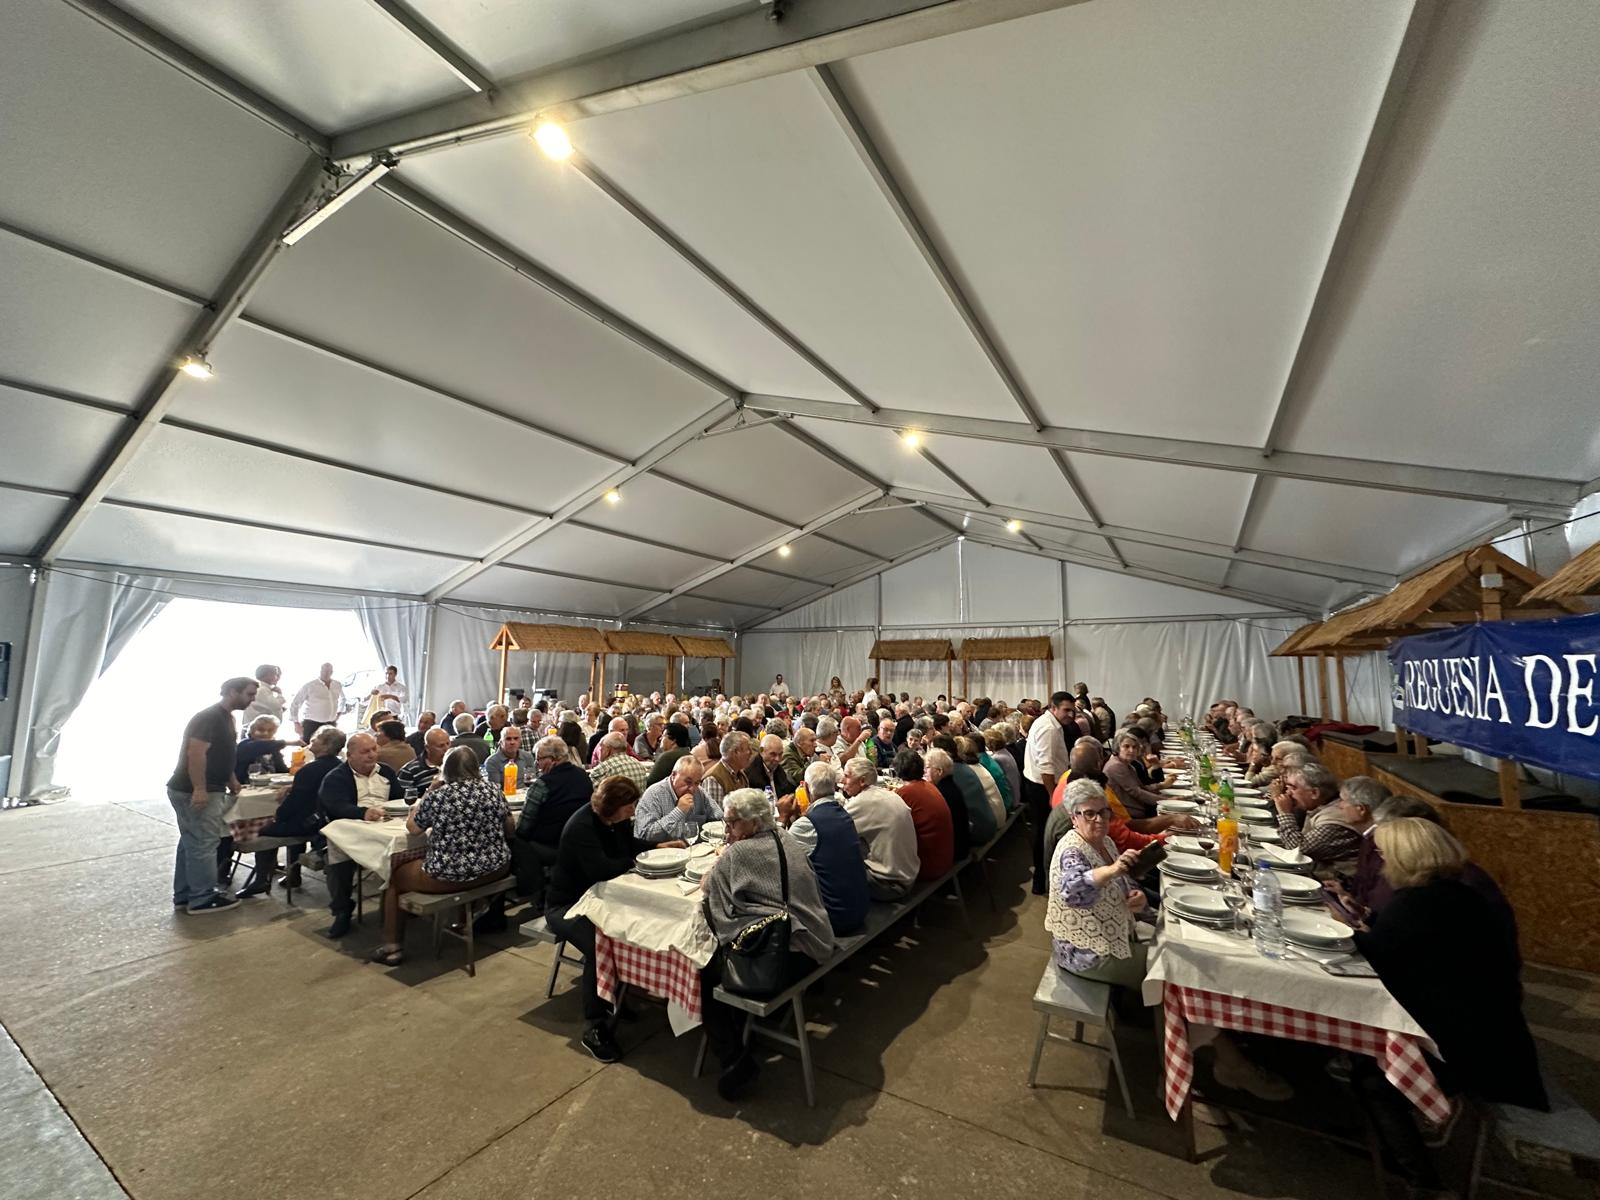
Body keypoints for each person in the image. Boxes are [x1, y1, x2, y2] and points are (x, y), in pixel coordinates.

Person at [1352, 818, 1547, 1192]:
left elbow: (1380, 959)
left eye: (1384, 852)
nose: (1380, 859)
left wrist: (1355, 933)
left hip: (1472, 1046)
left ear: (1404, 857)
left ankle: (1419, 1180)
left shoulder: (1415, 905)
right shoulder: (1458, 896)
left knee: (1373, 1076)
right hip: (1494, 1031)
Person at [699, 788, 836, 1099]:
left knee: (704, 973)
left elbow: (709, 887)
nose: (728, 828)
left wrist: (723, 860)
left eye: (731, 822)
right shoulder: (786, 837)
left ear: (751, 823)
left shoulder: (739, 853)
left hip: (783, 957)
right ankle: (749, 1029)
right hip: (814, 938)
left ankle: (735, 1060)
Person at [546, 778, 658, 1063]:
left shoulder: (614, 820)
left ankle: (613, 998)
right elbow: (601, 869)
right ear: (614, 807)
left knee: (632, 928)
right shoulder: (582, 827)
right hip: (568, 905)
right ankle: (594, 1027)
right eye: (630, 805)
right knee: (601, 945)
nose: (633, 811)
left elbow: (628, 844)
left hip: (601, 898)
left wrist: (658, 847)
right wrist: (637, 862)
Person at [369, 747, 512, 967]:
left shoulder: (439, 796)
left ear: (447, 769)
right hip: (496, 866)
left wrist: (427, 793)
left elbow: (413, 829)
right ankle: (463, 921)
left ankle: (392, 946)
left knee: (394, 876)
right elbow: (509, 828)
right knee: (450, 860)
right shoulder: (493, 789)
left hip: (451, 875)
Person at [166, 677, 257, 914]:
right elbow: (196, 753)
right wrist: (199, 788)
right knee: (204, 843)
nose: (252, 699)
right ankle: (202, 897)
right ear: (231, 692)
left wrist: (233, 781)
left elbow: (223, 755)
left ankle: (185, 894)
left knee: (191, 842)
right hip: (194, 789)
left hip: (209, 786)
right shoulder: (209, 717)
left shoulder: (226, 718)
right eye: (248, 694)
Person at [1046, 783, 1148, 987]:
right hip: (1086, 954)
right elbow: (1074, 891)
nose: (1100, 820)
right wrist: (1112, 870)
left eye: (1103, 812)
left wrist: (1136, 895)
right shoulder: (1071, 851)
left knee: (1172, 950)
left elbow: (1122, 882)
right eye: (1089, 814)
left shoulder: (1105, 841)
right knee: (1166, 971)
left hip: (1112, 934)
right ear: (1074, 818)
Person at [317, 732, 404, 939]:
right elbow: (335, 806)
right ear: (350, 755)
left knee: (407, 846)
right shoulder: (336, 777)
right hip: (351, 830)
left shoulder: (387, 773)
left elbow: (399, 798)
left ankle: (399, 905)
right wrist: (362, 812)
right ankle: (342, 909)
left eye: (374, 749)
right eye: (365, 751)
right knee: (337, 856)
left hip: (384, 827)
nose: (371, 755)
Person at [513, 735, 595, 905]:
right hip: (579, 841)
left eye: (540, 759)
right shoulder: (583, 776)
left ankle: (529, 888)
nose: (537, 764)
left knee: (515, 840)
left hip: (550, 846)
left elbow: (524, 826)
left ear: (554, 759)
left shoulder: (542, 784)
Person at [839, 757, 919, 900]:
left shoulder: (862, 802)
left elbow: (834, 830)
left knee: (831, 861)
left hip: (890, 884)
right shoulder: (888, 794)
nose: (842, 781)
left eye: (846, 776)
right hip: (909, 875)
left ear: (862, 781)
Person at [1022, 691, 1074, 894]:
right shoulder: (1049, 728)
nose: (1070, 714)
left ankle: (1044, 878)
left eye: (1072, 710)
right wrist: (1054, 797)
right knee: (1045, 834)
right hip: (1042, 787)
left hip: (1041, 784)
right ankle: (1041, 880)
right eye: (1066, 710)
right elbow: (1046, 769)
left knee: (1044, 832)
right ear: (1053, 708)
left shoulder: (1048, 722)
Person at [1274, 762, 1363, 870]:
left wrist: (1285, 813)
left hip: (1335, 882)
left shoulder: (1335, 819)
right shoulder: (1317, 806)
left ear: (1314, 793)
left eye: (1292, 788)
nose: (1287, 794)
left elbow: (1297, 851)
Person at [890, 750, 954, 880]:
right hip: (945, 856)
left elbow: (888, 825)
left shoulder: (905, 793)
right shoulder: (930, 786)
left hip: (928, 864)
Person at [633, 756, 719, 842]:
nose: (692, 789)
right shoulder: (654, 794)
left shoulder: (699, 792)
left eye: (697, 783)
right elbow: (644, 834)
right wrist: (678, 811)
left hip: (695, 850)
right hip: (663, 853)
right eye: (688, 782)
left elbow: (719, 817)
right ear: (673, 775)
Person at [921, 747, 972, 862]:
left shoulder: (939, 793)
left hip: (953, 851)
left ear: (939, 771)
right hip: (962, 845)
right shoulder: (951, 785)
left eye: (927, 767)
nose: (924, 771)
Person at [1104, 732, 1169, 820]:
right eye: (1126, 746)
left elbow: (1142, 788)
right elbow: (1136, 792)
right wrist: (1165, 801)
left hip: (1138, 808)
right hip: (1128, 814)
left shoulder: (1128, 765)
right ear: (1118, 748)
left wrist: (1164, 795)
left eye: (1134, 747)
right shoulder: (1116, 766)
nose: (1131, 750)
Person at [289, 663, 344, 743]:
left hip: (330, 724)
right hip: (311, 725)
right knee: (308, 749)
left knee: (329, 749)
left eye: (328, 671)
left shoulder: (337, 685)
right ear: (320, 670)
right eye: (323, 670)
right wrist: (296, 723)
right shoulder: (310, 686)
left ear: (332, 672)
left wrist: (339, 713)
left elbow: (343, 699)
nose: (325, 673)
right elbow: (295, 704)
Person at [703, 731, 754, 808]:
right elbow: (716, 816)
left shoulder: (741, 775)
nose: (751, 753)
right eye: (748, 749)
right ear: (736, 752)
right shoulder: (713, 779)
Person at [234, 715, 288, 784]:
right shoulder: (244, 745)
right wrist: (289, 743)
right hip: (246, 787)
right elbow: (258, 746)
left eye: (270, 730)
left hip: (270, 787)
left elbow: (282, 770)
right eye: (261, 730)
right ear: (252, 731)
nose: (265, 733)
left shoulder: (273, 748)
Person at [483, 726, 537, 791]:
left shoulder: (528, 756)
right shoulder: (492, 762)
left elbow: (532, 782)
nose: (512, 742)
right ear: (501, 742)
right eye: (508, 739)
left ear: (520, 741)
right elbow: (495, 790)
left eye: (516, 738)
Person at [399, 725, 450, 795]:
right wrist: (431, 789)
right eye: (441, 746)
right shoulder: (410, 771)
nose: (446, 749)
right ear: (427, 748)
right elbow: (403, 801)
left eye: (448, 744)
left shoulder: (456, 764)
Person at [746, 733, 794, 801]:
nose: (777, 759)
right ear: (761, 751)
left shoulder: (778, 769)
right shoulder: (751, 774)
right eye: (773, 754)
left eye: (780, 754)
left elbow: (787, 790)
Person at [644, 720, 694, 785]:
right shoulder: (689, 755)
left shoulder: (667, 757)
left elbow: (650, 781)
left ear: (673, 740)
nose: (660, 738)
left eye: (664, 736)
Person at [241, 664, 285, 728]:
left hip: (258, 727)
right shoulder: (262, 690)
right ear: (268, 675)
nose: (277, 678)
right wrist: (280, 694)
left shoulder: (263, 688)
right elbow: (275, 705)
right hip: (258, 729)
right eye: (275, 675)